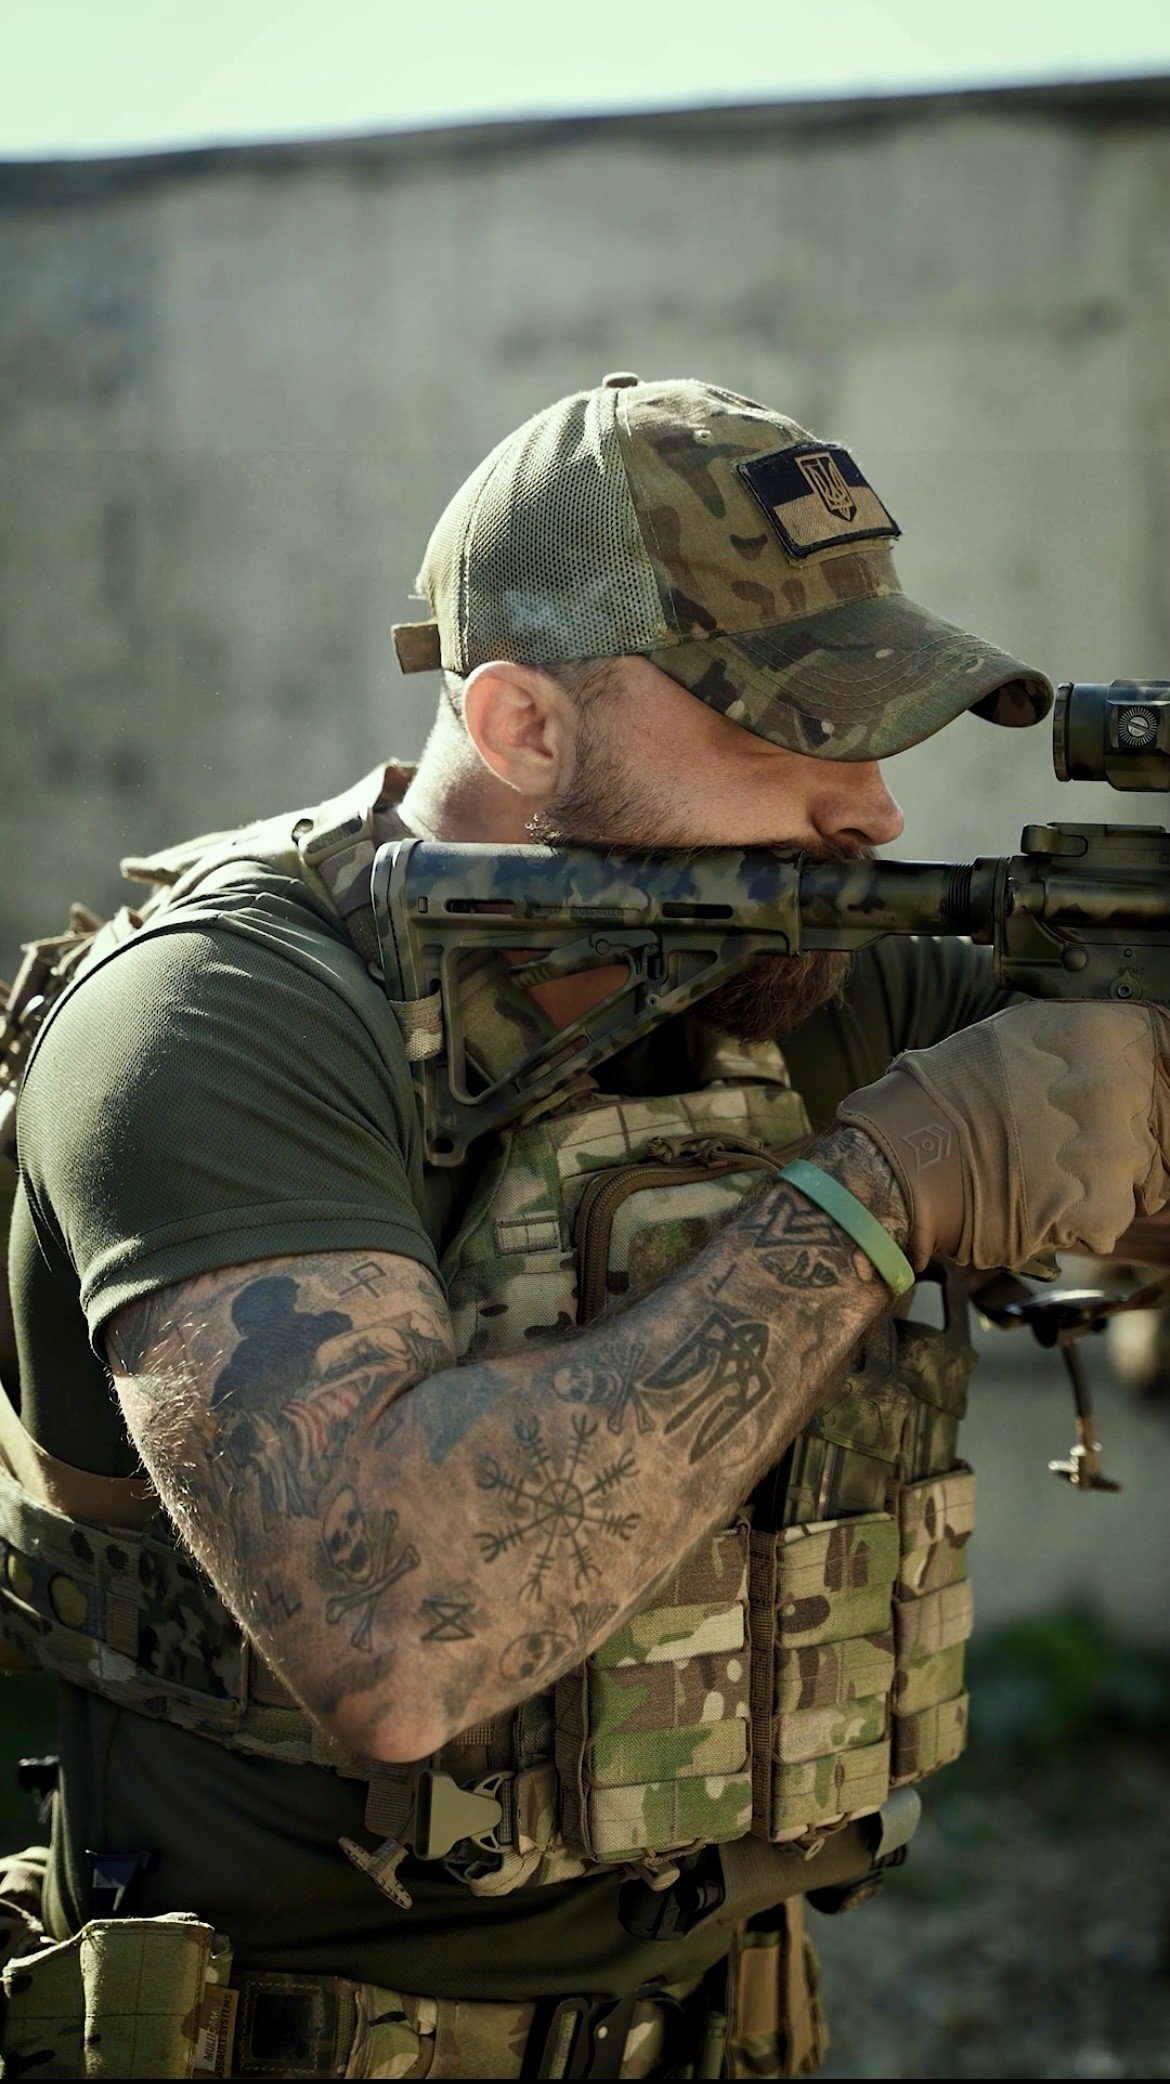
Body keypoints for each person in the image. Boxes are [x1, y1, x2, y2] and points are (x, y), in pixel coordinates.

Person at [5, 374, 1170, 2080]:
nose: (874, 810)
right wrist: (879, 1193)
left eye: (879, 728)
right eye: (795, 725)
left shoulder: (788, 969)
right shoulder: (219, 1020)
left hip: (729, 2025)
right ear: (522, 724)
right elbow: (392, 1636)